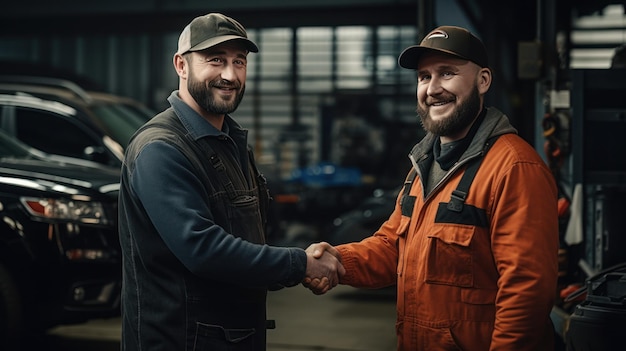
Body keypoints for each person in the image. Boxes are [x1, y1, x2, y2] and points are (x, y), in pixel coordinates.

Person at [305, 25, 559, 350]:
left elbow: (527, 290)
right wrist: (338, 260)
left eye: (447, 73)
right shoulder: (424, 164)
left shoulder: (515, 168)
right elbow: (393, 245)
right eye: (424, 77)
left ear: (483, 81)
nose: (432, 88)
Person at [118, 13, 344, 351]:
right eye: (215, 60)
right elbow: (202, 249)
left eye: (239, 62)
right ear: (181, 65)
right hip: (181, 341)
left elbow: (249, 233)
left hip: (231, 337)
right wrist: (300, 264)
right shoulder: (160, 149)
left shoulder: (229, 141)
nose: (230, 74)